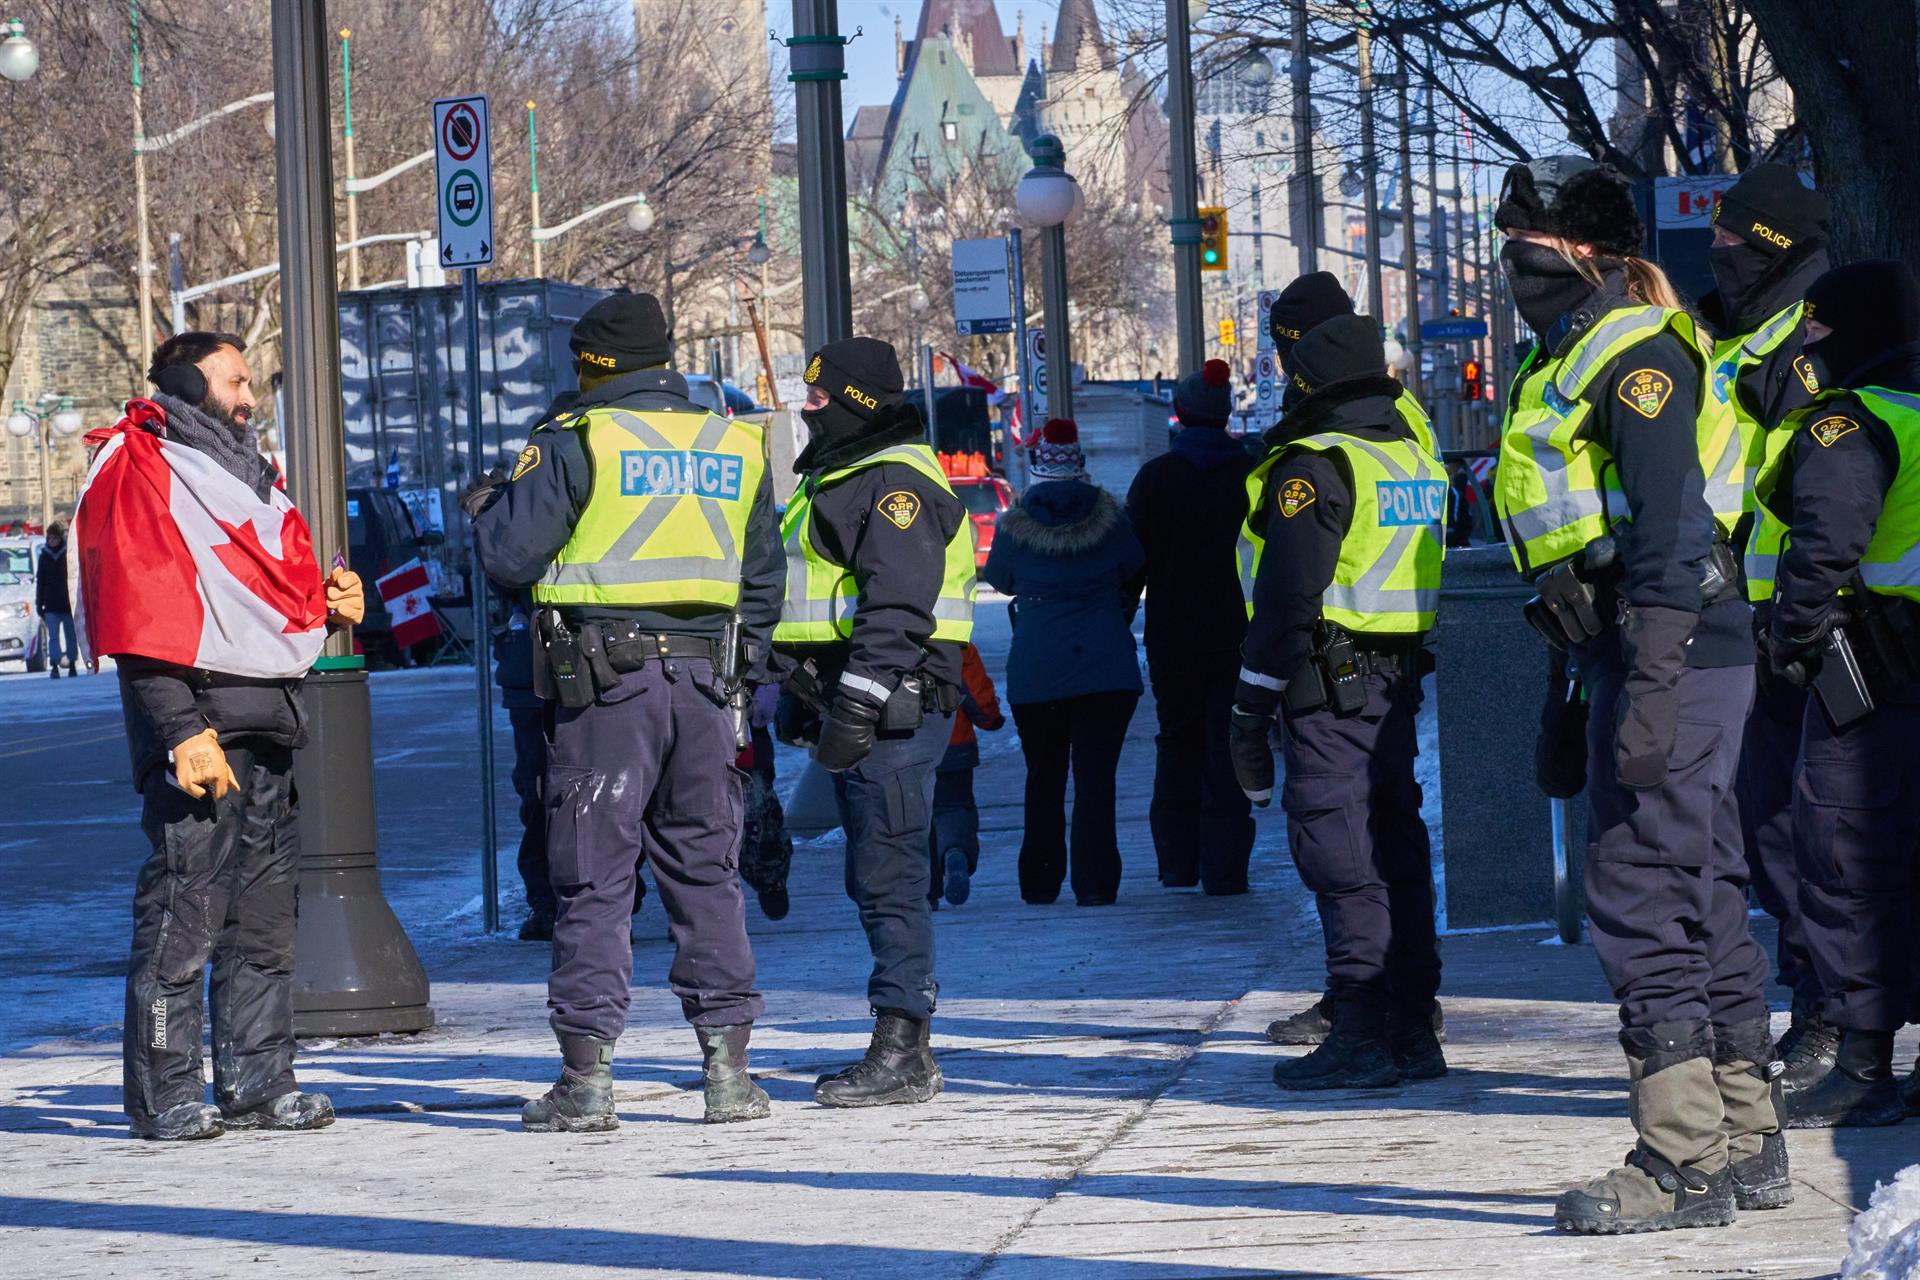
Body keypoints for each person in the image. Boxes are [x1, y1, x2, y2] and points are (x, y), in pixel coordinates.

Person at [1490, 158, 1786, 1232]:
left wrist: (1651, 687)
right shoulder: (1572, 352)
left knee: (1640, 891)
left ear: (1580, 250)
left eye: (1522, 238)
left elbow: (1665, 539)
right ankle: (1745, 1133)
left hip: (1674, 651)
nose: (1508, 258)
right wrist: (1573, 696)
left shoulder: (1635, 356)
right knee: (1697, 884)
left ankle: (1682, 1158)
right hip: (1648, 653)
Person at [468, 293, 781, 1131]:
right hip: (707, 690)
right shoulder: (732, 442)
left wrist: (493, 501)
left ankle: (587, 1079)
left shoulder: (578, 440)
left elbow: (508, 555)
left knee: (594, 880)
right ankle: (729, 1075)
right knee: (706, 872)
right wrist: (741, 677)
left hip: (608, 692)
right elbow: (763, 578)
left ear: (590, 365)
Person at [76, 331, 364, 1140]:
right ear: (183, 381)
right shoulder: (144, 472)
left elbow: (261, 597)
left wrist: (328, 603)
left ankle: (259, 1080)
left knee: (264, 925)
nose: (247, 397)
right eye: (233, 381)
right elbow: (139, 618)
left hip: (268, 727)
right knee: (183, 918)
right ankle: (164, 1094)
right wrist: (179, 730)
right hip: (200, 733)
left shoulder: (246, 480)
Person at [1226, 314, 1447, 1092]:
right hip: (1394, 682)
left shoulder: (1316, 466)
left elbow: (1288, 595)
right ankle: (1413, 1025)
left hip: (1330, 685)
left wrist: (1252, 702)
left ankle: (1360, 1030)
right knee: (1397, 849)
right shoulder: (1412, 456)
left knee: (1342, 854)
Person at [772, 337, 975, 1107]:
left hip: (890, 707)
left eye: (820, 395)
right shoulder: (845, 475)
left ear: (857, 401)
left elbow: (895, 607)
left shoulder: (893, 484)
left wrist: (853, 701)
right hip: (858, 700)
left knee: (889, 872)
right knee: (875, 870)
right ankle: (899, 1038)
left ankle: (904, 1048)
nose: (806, 405)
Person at [1758, 260, 1920, 1129]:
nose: (1804, 347)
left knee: (1847, 862)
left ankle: (1863, 1067)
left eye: (1814, 330)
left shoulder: (1850, 426)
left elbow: (1823, 543)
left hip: (1872, 685)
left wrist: (1793, 637)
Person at [1701, 165, 1834, 1081]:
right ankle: (1819, 1006)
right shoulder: (1728, 332)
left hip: (1810, 615)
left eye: (1738, 240)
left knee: (1811, 828)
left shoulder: (1815, 338)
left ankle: (1833, 1020)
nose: (1721, 253)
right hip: (1741, 613)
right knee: (1769, 822)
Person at [983, 418, 1145, 906]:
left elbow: (1001, 578)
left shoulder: (1015, 526)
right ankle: (1096, 884)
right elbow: (1136, 567)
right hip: (1107, 669)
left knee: (1043, 777)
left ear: (1038, 468)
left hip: (1039, 671)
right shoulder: (1113, 520)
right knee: (1097, 779)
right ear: (1079, 466)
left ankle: (1040, 880)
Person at [1125, 361, 1257, 895]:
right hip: (1236, 636)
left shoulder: (1156, 479)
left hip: (1173, 637)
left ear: (1179, 414)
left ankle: (1177, 861)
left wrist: (1120, 615)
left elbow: (1132, 563)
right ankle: (1225, 868)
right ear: (1225, 414)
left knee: (1176, 742)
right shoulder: (1249, 475)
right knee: (1228, 745)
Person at [928, 640, 1004, 908]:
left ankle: (926, 891)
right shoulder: (956, 643)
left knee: (910, 816)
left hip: (900, 746)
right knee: (954, 807)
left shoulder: (882, 638)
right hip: (953, 742)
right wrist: (991, 719)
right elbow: (976, 694)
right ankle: (955, 850)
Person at [34, 519, 75, 678]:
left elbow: (74, 577)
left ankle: (72, 663)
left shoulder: (68, 554)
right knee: (53, 637)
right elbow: (40, 581)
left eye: (54, 538)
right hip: (51, 604)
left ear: (60, 538)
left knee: (70, 635)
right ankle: (55, 665)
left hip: (67, 604)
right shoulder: (44, 556)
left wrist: (75, 600)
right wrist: (40, 603)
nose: (51, 541)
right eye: (49, 538)